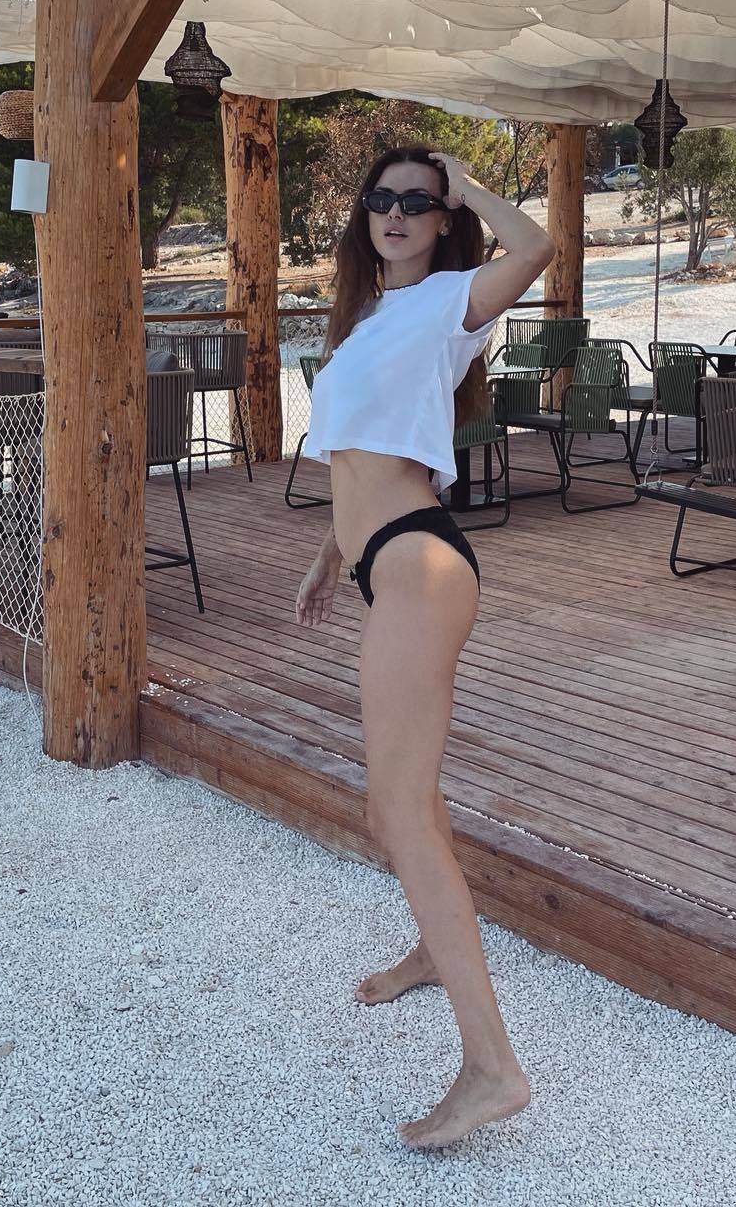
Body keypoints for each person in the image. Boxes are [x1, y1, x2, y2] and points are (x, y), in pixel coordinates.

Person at [295, 147, 554, 1150]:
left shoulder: (453, 300)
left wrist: (464, 178)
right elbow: (366, 454)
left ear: (444, 221)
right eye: (384, 199)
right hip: (386, 559)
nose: (397, 213)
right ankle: (431, 953)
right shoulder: (370, 317)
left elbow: (538, 246)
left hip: (420, 564)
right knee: (415, 798)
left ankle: (492, 1069)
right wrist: (332, 554)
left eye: (419, 202)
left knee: (394, 810)